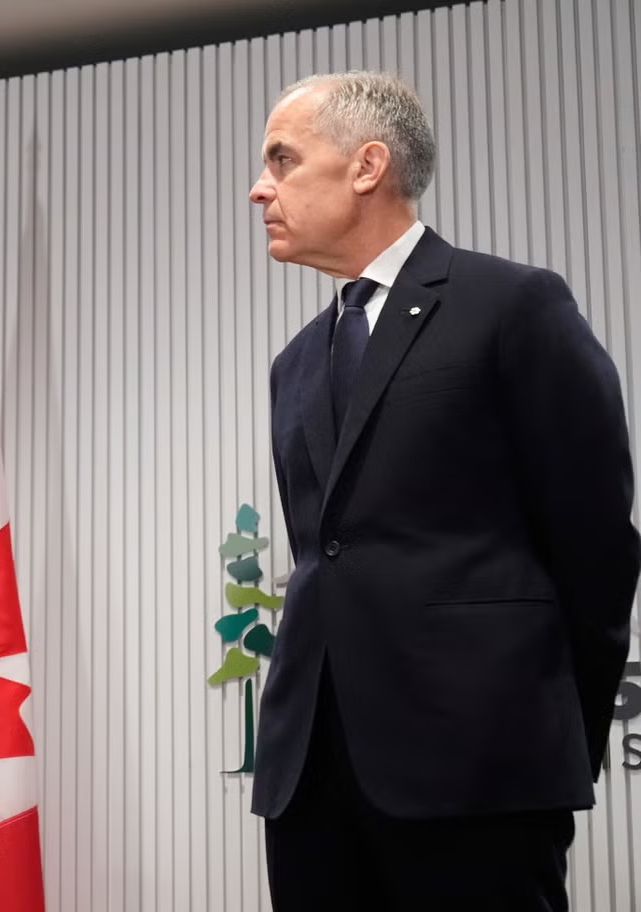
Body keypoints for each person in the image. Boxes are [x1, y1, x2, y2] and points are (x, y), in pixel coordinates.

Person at [249, 71, 639, 910]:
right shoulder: (294, 364)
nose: (260, 188)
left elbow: (598, 544)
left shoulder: (513, 306)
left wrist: (546, 732)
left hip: (481, 771)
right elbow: (325, 554)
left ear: (367, 166)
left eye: (282, 160)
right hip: (309, 781)